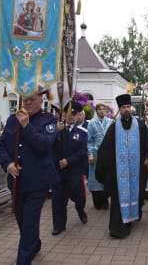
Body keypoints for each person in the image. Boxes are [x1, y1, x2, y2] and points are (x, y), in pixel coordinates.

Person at [0, 88, 59, 265]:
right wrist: (7, 164)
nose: (28, 103)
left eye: (32, 99)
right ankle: (34, 244)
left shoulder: (49, 120)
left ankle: (23, 260)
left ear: (41, 99)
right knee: (22, 219)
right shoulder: (11, 120)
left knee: (30, 221)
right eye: (25, 100)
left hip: (38, 182)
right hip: (16, 182)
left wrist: (27, 126)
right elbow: (0, 147)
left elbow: (44, 145)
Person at [95, 94, 148, 239]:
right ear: (119, 109)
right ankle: (118, 229)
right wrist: (106, 166)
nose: (126, 109)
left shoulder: (139, 125)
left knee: (138, 194)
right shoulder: (114, 127)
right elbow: (104, 149)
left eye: (128, 107)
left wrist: (147, 156)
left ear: (131, 108)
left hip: (136, 169)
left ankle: (134, 215)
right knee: (118, 198)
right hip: (118, 172)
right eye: (123, 107)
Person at [51, 101, 88, 236]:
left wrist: (68, 160)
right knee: (58, 199)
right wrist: (55, 133)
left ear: (78, 116)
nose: (71, 116)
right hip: (58, 171)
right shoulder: (57, 130)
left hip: (74, 171)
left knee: (79, 196)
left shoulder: (82, 132)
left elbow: (83, 151)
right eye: (69, 113)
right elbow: (48, 146)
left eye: (75, 114)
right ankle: (59, 225)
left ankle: (80, 209)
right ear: (64, 114)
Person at [87, 103, 113, 209]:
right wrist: (90, 154)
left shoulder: (111, 122)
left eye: (104, 109)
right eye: (99, 109)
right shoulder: (91, 123)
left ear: (106, 111)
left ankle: (105, 200)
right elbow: (89, 141)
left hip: (107, 154)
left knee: (106, 176)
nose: (102, 111)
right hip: (96, 154)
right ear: (96, 111)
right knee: (95, 177)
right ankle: (98, 202)